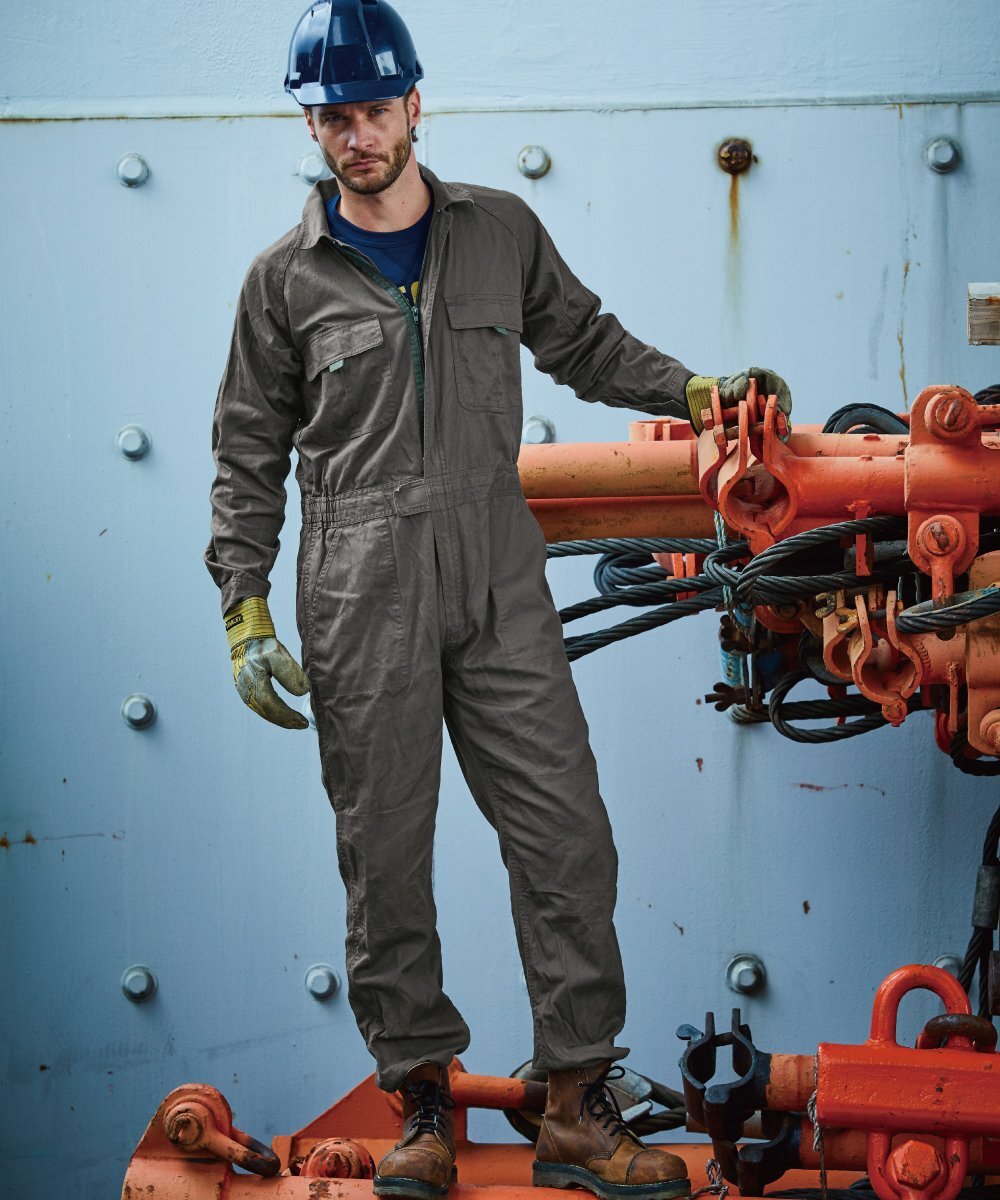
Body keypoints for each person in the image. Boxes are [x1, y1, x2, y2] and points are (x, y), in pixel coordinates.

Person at [206, 3, 791, 1197]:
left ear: (415, 105)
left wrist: (693, 388)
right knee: (384, 855)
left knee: (565, 837)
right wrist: (242, 607)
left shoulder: (499, 232)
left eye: (375, 110)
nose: (357, 135)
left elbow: (585, 342)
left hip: (496, 573)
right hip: (359, 587)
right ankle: (423, 1105)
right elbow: (245, 453)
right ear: (310, 125)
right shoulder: (282, 283)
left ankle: (574, 1106)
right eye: (333, 116)